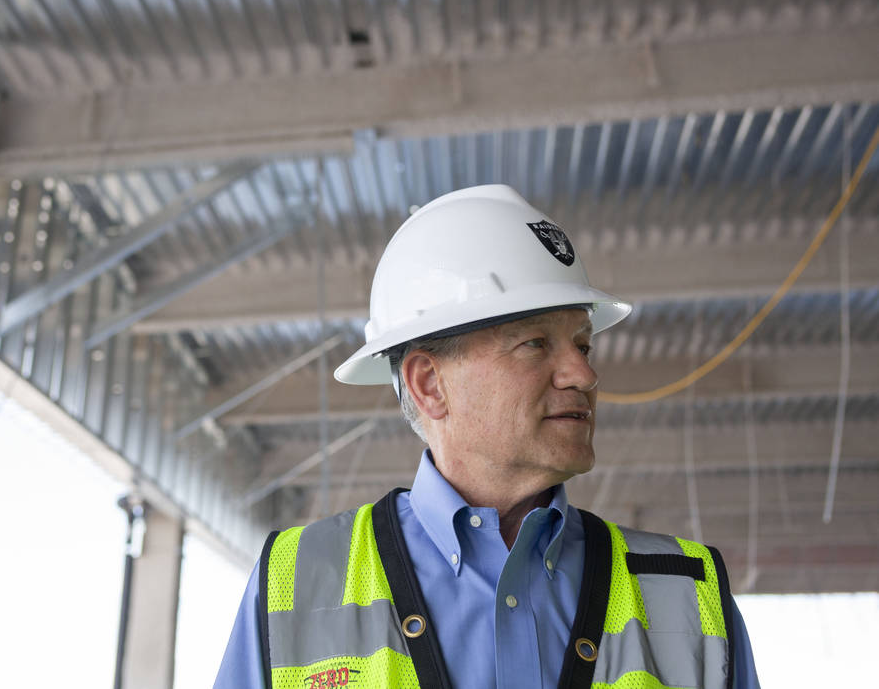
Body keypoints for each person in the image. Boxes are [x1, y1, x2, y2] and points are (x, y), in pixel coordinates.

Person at [215, 185, 759, 689]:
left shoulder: (690, 596)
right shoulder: (294, 582)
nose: (584, 376)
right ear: (429, 385)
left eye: (583, 345)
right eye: (535, 344)